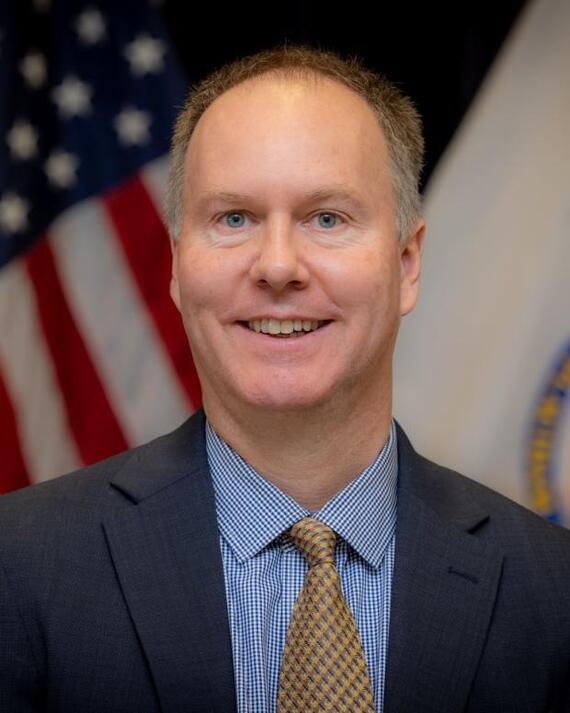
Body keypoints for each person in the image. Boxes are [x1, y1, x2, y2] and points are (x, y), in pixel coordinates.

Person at [1, 45, 569, 713]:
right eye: (234, 218)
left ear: (407, 262)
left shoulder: (553, 589)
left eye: (327, 218)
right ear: (177, 266)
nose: (277, 266)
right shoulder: (20, 565)